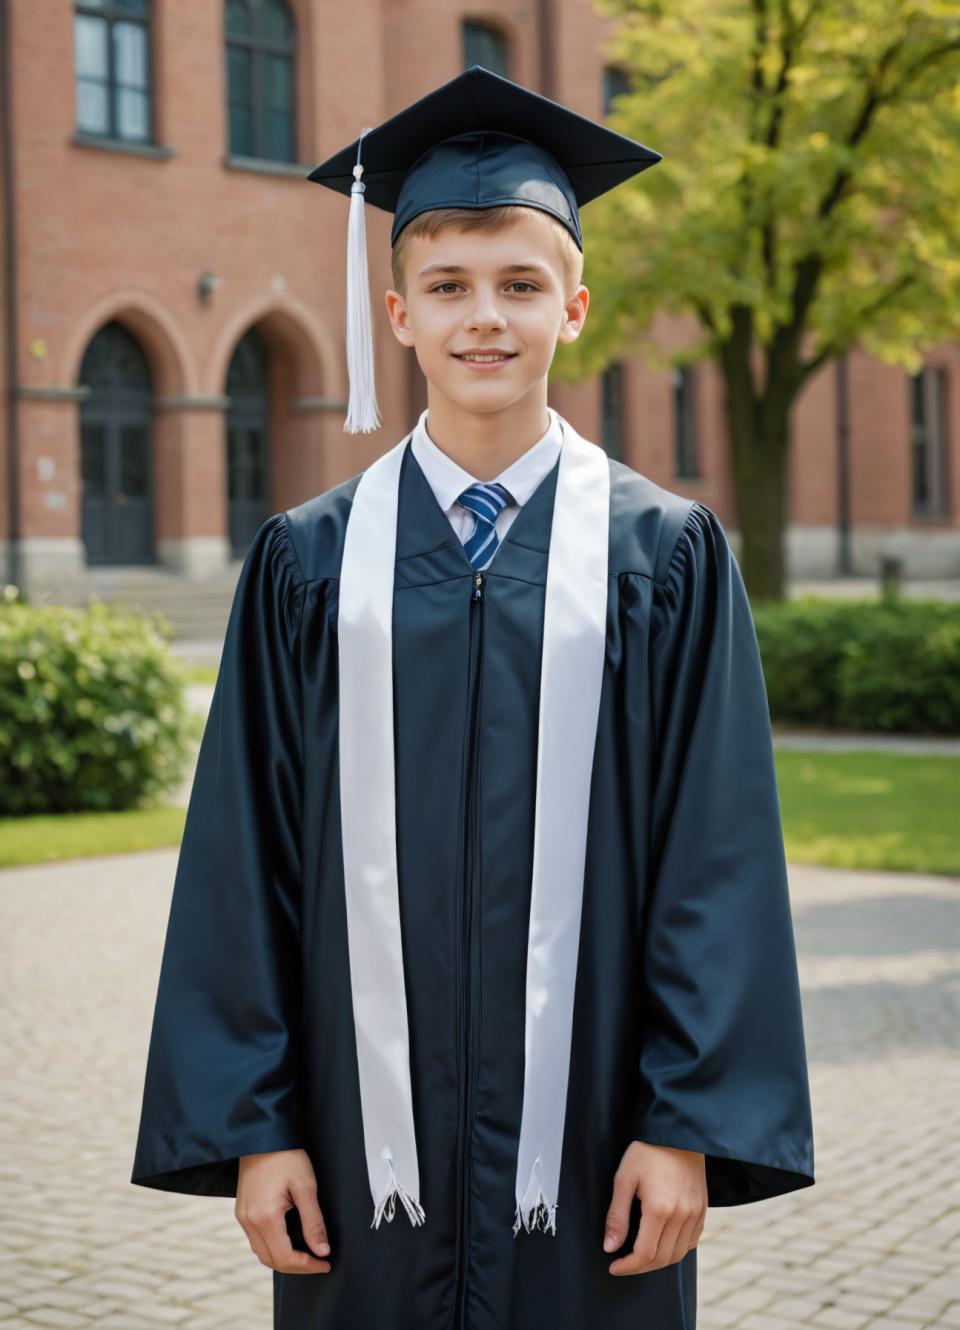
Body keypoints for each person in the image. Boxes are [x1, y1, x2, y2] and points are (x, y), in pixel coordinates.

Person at [130, 64, 815, 1330]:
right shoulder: (310, 564)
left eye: (519, 285)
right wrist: (255, 1128)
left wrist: (687, 1124)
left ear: (576, 308)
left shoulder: (662, 557)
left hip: (600, 1143)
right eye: (447, 287)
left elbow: (713, 860)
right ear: (395, 312)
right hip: (352, 1151)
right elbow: (245, 859)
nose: (482, 319)